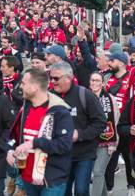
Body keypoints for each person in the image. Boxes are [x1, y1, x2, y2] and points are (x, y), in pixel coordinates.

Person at [7, 68, 74, 196]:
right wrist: (9, 150)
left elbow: (64, 145)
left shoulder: (59, 111)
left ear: (35, 87)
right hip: (27, 177)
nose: (20, 86)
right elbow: (14, 136)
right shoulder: (25, 108)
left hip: (51, 180)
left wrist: (35, 143)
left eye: (24, 83)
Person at [49, 61, 106, 196]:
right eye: (51, 78)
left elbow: (100, 123)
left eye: (56, 78)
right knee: (64, 191)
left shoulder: (85, 95)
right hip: (60, 155)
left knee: (81, 190)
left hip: (84, 154)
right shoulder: (49, 96)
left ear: (68, 78)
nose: (52, 81)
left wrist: (79, 134)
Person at [104, 52, 135, 195]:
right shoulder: (108, 79)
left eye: (113, 60)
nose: (109, 62)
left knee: (129, 158)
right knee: (110, 160)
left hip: (125, 125)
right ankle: (109, 189)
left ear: (123, 63)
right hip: (111, 126)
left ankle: (131, 186)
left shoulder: (131, 77)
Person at [89, 71, 119, 196]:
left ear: (102, 83)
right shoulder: (85, 96)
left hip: (106, 141)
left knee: (97, 172)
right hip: (89, 141)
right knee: (98, 174)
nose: (94, 83)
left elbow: (115, 120)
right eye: (92, 80)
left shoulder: (110, 99)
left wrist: (113, 142)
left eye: (97, 80)